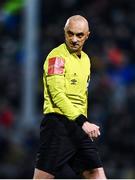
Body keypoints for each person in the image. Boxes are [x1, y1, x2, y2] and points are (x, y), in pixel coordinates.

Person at [33, 15, 106, 179]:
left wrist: (82, 123)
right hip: (58, 126)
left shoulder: (86, 59)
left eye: (79, 35)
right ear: (64, 33)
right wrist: (84, 122)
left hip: (78, 128)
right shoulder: (57, 58)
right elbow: (57, 95)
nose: (74, 39)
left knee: (96, 174)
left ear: (87, 35)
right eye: (70, 34)